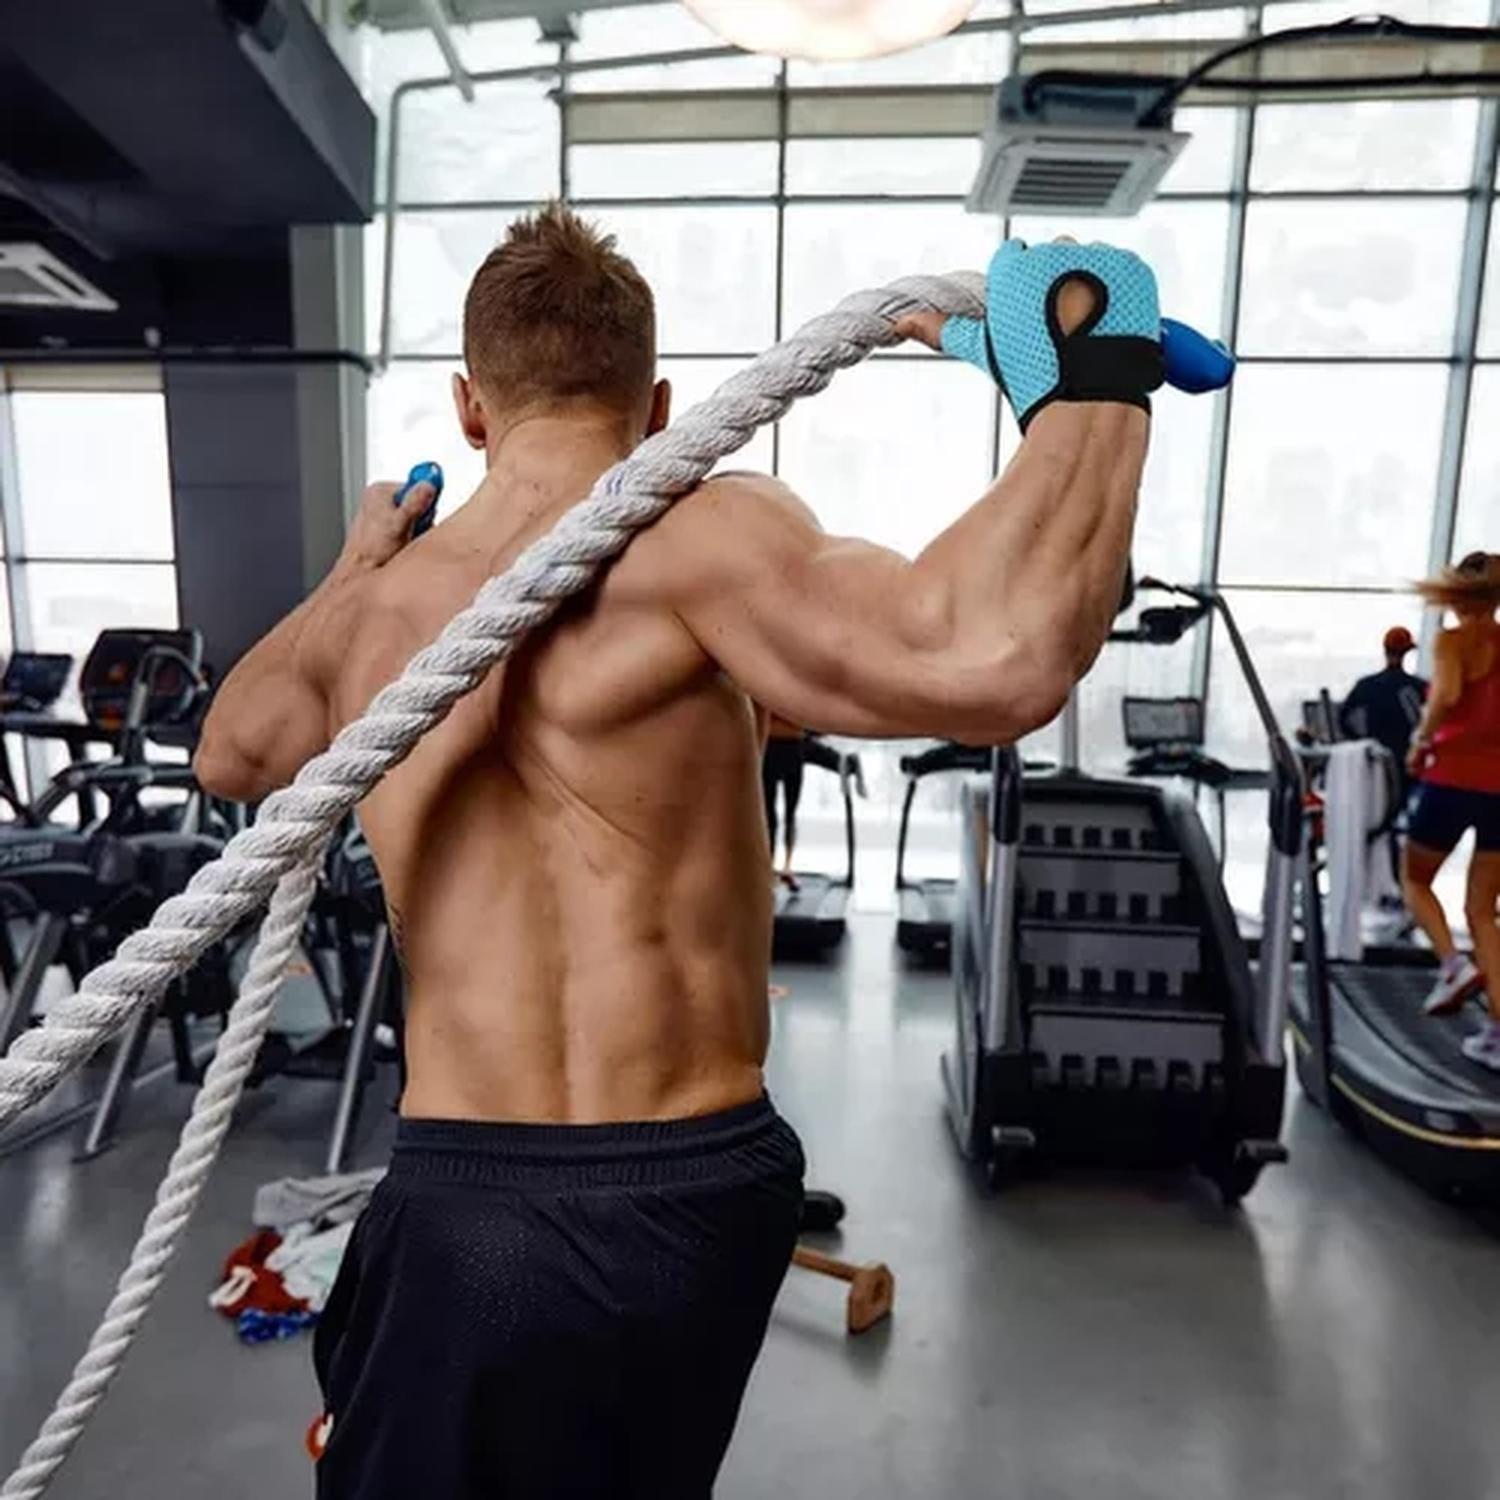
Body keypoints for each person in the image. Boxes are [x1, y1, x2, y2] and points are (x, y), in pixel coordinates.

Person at [194, 208, 1158, 1499]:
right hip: (702, 1200)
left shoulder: (371, 623)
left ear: (470, 408)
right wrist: (1095, 383)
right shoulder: (711, 541)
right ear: (655, 405)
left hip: (469, 1207)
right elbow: (994, 649)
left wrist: (357, 559)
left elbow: (227, 751)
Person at [1400, 552, 1500, 1064]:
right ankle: (1499, 1035)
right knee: (1483, 910)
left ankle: (1452, 964)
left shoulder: (1453, 641)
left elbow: (1448, 696)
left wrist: (1419, 741)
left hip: (1453, 776)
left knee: (1414, 879)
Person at [1339, 624, 1428, 793]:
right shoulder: (1418, 687)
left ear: (1384, 650)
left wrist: (1361, 742)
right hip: (1407, 762)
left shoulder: (1365, 685)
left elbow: (1343, 719)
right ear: (1407, 652)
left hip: (1373, 762)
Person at [762, 713, 806, 887]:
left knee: (790, 813)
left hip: (794, 745)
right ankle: (768, 867)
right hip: (770, 745)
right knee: (768, 815)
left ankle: (787, 866)